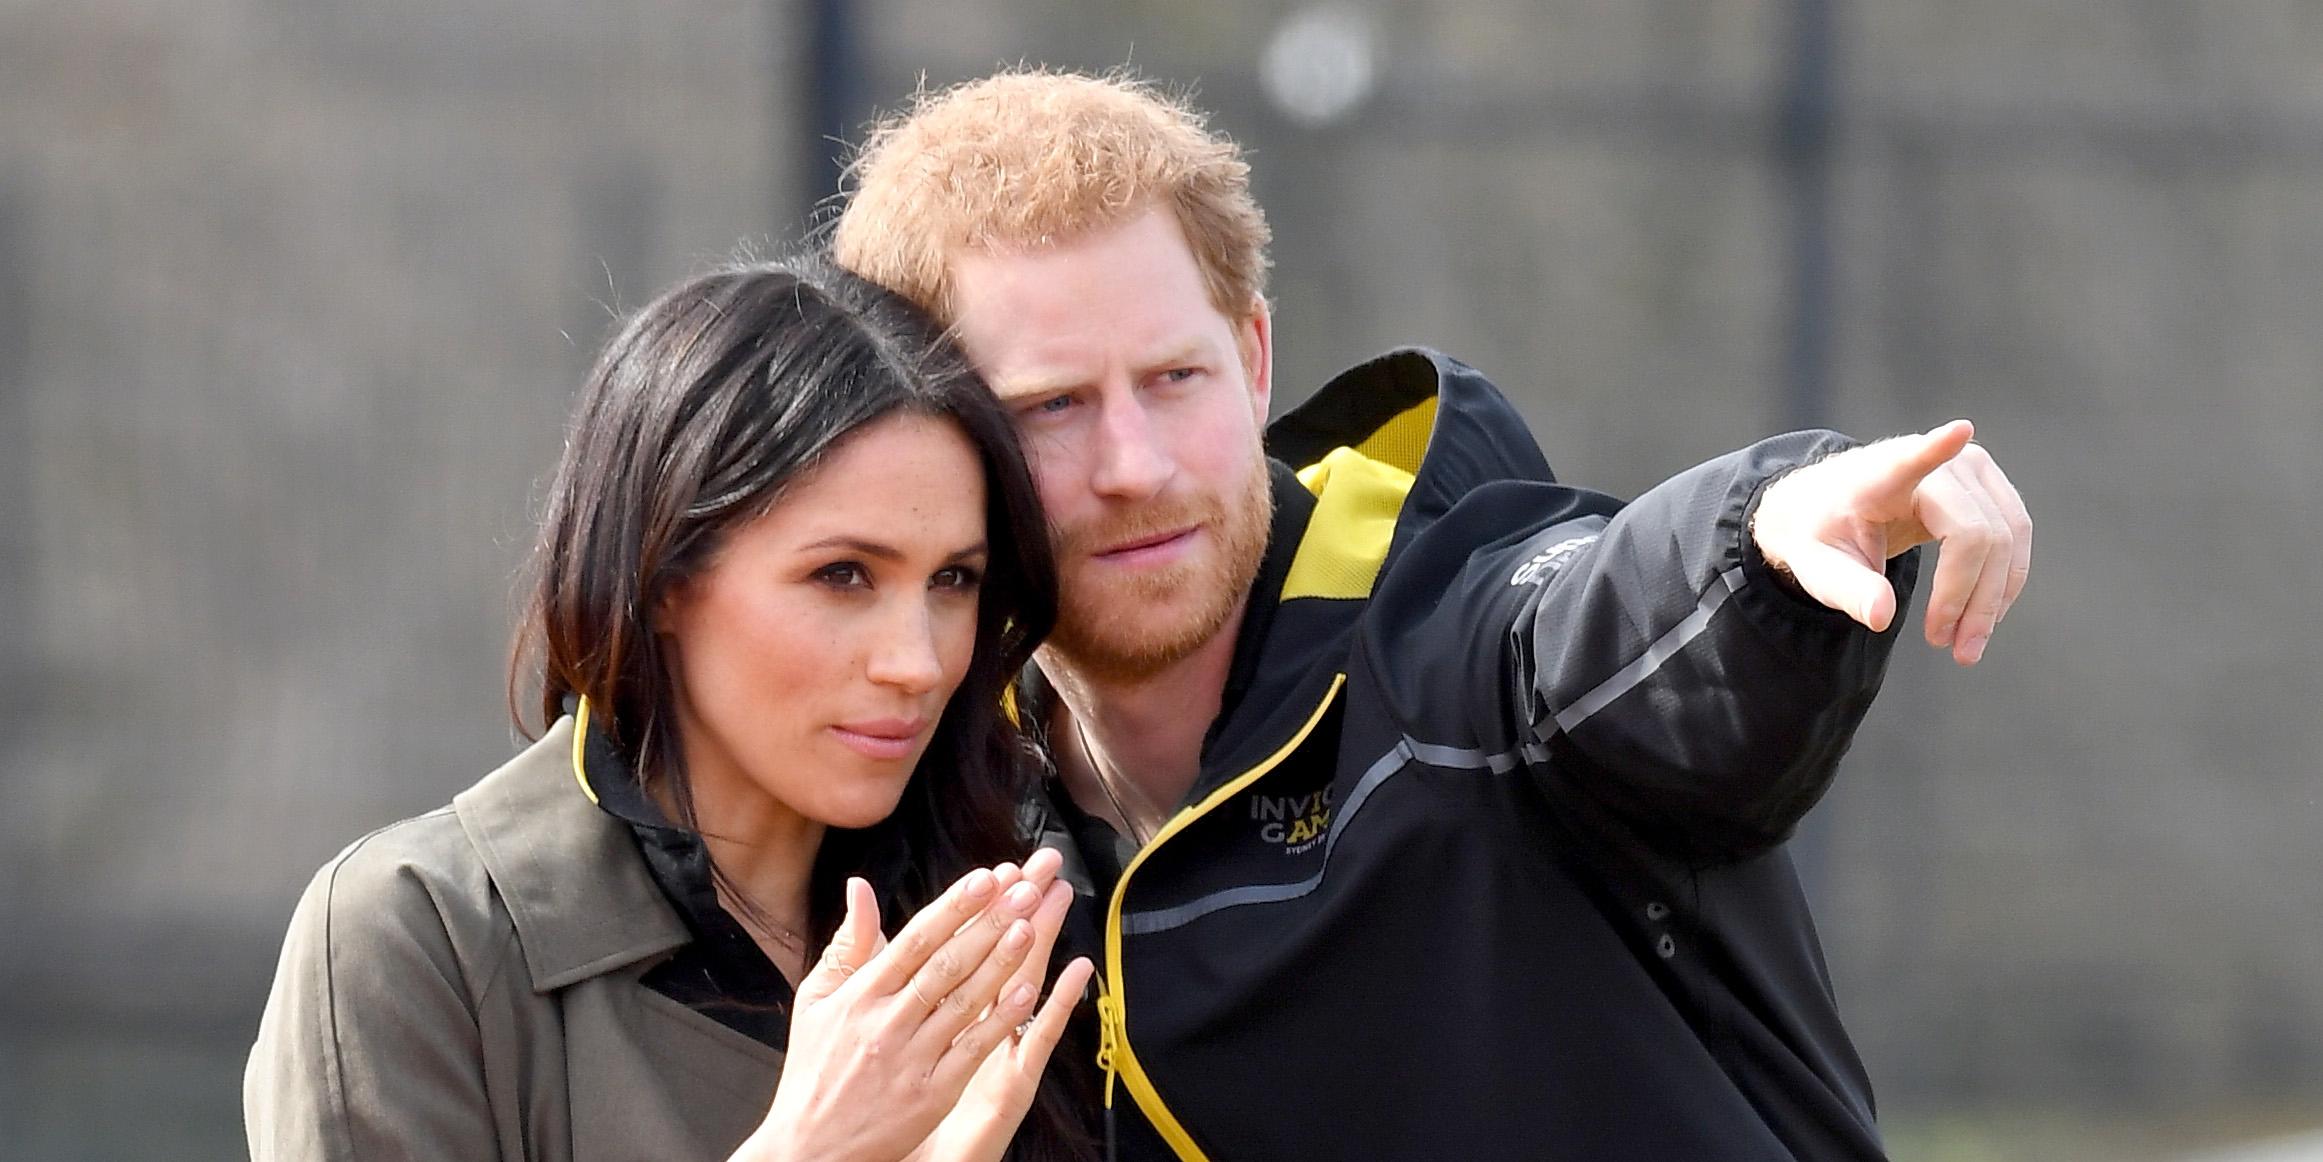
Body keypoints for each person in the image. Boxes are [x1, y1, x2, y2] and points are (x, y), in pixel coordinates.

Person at [832, 71, 2031, 1161]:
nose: (1133, 463)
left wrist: (1765, 533)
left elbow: (1600, 625)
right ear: (942, 443)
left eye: (1173, 378)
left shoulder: (1455, 652)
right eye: (1051, 407)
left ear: (1254, 360)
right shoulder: (939, 818)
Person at [245, 256, 1101, 1162]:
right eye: (842, 575)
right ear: (661, 579)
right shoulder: (422, 939)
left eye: (952, 580)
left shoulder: (1009, 919)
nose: (917, 662)